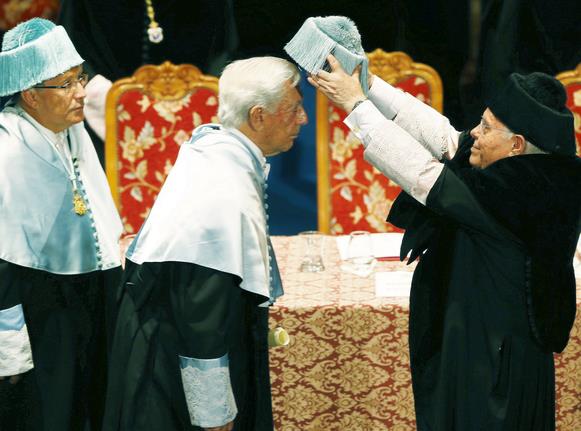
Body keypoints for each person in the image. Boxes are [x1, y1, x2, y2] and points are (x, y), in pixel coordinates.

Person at [309, 54, 580, 429]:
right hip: (475, 341)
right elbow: (444, 136)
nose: (474, 134)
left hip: (495, 365)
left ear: (516, 145)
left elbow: (422, 175)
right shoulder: (519, 170)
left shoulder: (523, 196)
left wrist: (355, 105)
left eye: (485, 127)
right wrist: (368, 83)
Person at [102, 56, 307, 431]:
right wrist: (212, 412)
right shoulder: (221, 187)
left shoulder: (219, 150)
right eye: (294, 109)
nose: (303, 119)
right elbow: (201, 308)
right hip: (169, 374)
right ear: (258, 116)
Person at [0, 18, 123, 431]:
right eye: (66, 84)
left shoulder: (73, 132)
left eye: (80, 78)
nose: (82, 93)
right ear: (30, 95)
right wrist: (10, 352)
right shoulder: (7, 154)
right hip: (40, 314)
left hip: (85, 299)